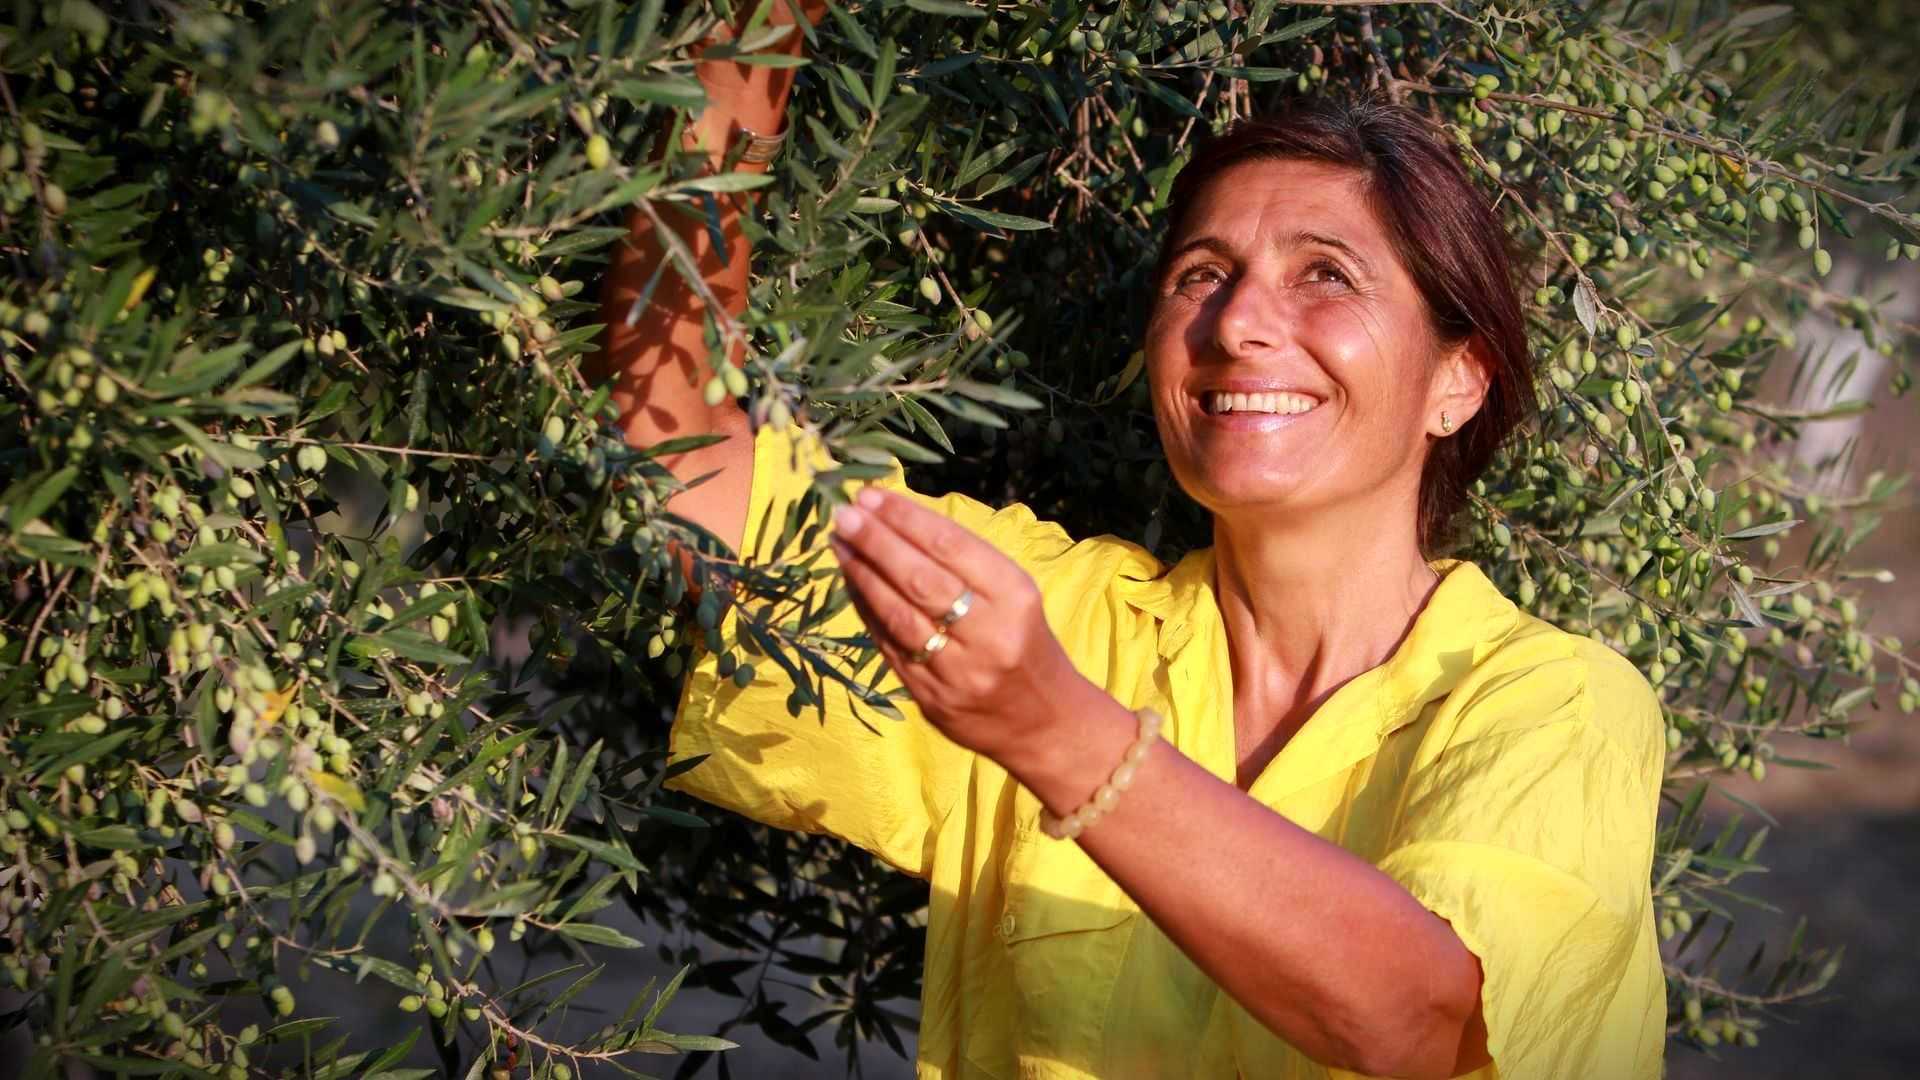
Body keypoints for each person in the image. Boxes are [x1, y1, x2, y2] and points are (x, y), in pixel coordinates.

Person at [597, 5, 1667, 1078]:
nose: (1240, 321)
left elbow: (1419, 1020)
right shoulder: (1059, 619)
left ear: (1458, 380)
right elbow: (678, 444)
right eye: (1202, 273)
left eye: (1325, 274)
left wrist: (1051, 731)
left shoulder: (1556, 703)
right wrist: (752, 32)